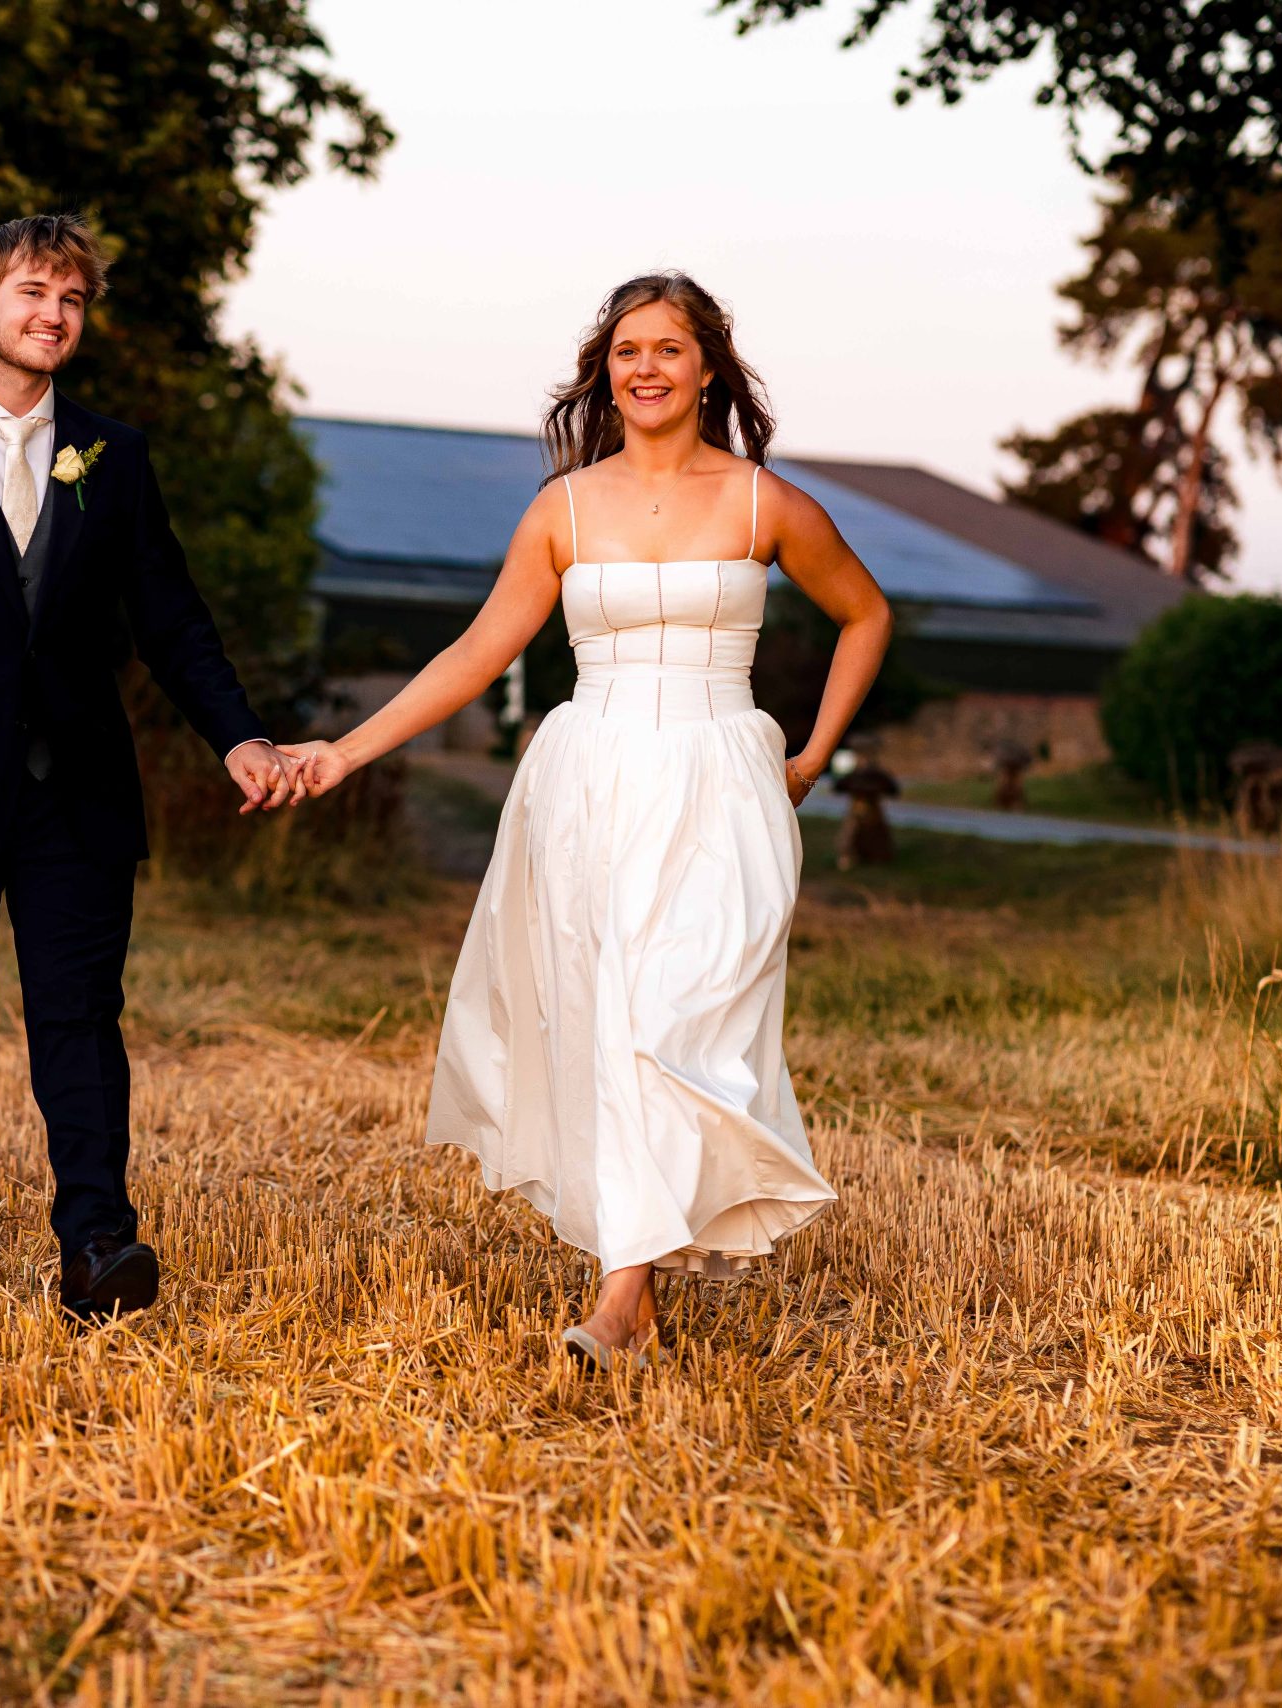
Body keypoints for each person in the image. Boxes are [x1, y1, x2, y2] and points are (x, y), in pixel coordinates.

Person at [281, 273, 891, 1370]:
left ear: (708, 365)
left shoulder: (766, 503)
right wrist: (343, 750)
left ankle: (628, 1285)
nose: (645, 368)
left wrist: (807, 756)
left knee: (677, 1016)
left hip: (720, 780)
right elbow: (476, 655)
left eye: (667, 348)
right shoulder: (561, 508)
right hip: (588, 777)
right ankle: (628, 1295)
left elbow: (865, 613)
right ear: (602, 372)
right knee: (607, 1022)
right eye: (625, 352)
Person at [0, 213, 299, 1319]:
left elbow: (171, 620)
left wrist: (237, 734)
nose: (54, 315)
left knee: (80, 1016)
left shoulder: (113, 457)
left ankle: (97, 1244)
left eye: (73, 300)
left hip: (76, 795)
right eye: (35, 292)